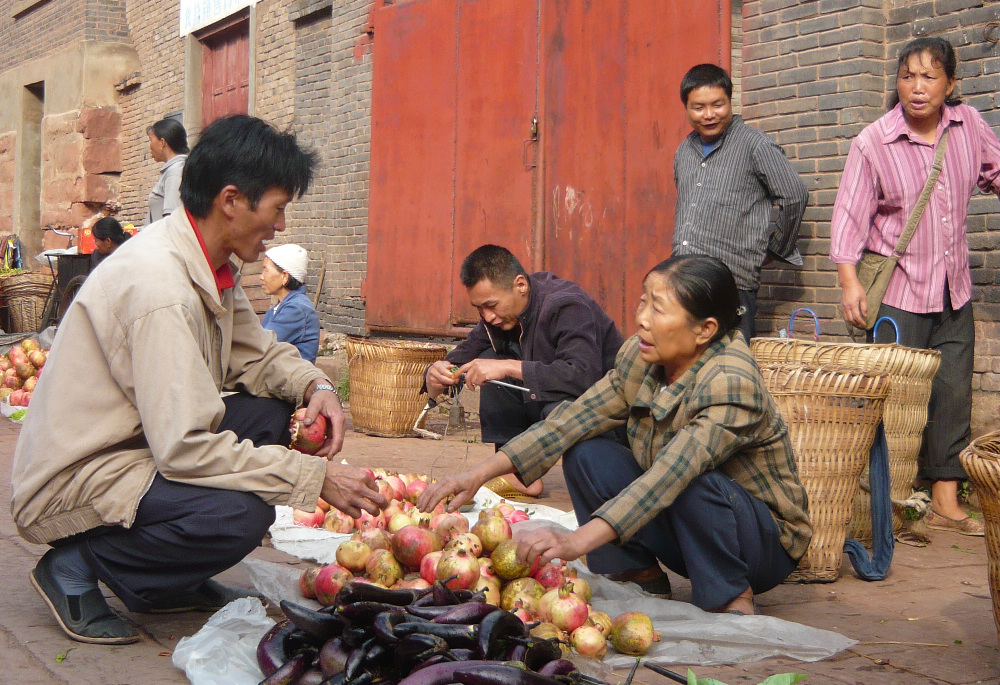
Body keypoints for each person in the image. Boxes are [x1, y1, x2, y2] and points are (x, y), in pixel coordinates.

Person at [10, 114, 386, 645]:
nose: (279, 228)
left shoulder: (206, 260)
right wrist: (311, 477)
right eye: (277, 210)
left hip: (136, 443)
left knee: (269, 411)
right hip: (77, 475)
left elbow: (256, 357)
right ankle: (74, 562)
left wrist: (316, 388)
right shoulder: (161, 288)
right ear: (231, 200)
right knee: (240, 514)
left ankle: (162, 581)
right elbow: (185, 447)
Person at [419, 254, 811, 614]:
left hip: (761, 543)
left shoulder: (731, 381)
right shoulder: (640, 359)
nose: (641, 318)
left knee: (695, 481)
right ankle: (636, 572)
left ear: (705, 329)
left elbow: (669, 475)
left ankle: (730, 593)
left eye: (658, 309)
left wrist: (576, 543)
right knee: (586, 451)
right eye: (643, 301)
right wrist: (476, 475)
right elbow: (571, 420)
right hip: (683, 519)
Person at [831, 37, 1000, 537]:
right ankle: (884, 502)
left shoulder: (968, 126)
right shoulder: (873, 142)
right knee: (892, 400)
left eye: (929, 77)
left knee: (952, 393)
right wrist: (847, 282)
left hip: (954, 288)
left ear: (951, 83)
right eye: (907, 76)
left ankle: (947, 498)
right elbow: (849, 217)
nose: (917, 88)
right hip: (898, 292)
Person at [424, 245, 623, 499]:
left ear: (520, 285)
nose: (487, 316)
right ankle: (517, 475)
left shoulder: (567, 305)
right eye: (479, 308)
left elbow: (583, 376)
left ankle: (599, 484)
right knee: (487, 361)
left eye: (491, 305)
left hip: (605, 418)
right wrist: (437, 372)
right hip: (550, 405)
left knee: (516, 378)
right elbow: (464, 354)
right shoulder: (500, 316)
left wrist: (506, 366)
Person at [672, 64, 809, 341]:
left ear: (730, 102)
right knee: (683, 365)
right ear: (686, 108)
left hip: (732, 283)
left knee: (730, 370)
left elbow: (794, 196)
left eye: (717, 105)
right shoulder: (684, 151)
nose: (709, 115)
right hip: (684, 282)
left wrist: (774, 249)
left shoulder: (754, 145)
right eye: (698, 108)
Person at [261, 243, 321, 364]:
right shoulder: (282, 306)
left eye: (266, 270)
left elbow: (261, 346)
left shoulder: (295, 309)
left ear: (284, 276)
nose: (261, 277)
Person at [146, 118, 189, 224]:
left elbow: (172, 219)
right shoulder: (173, 170)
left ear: (162, 142)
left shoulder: (175, 172)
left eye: (151, 140)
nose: (150, 146)